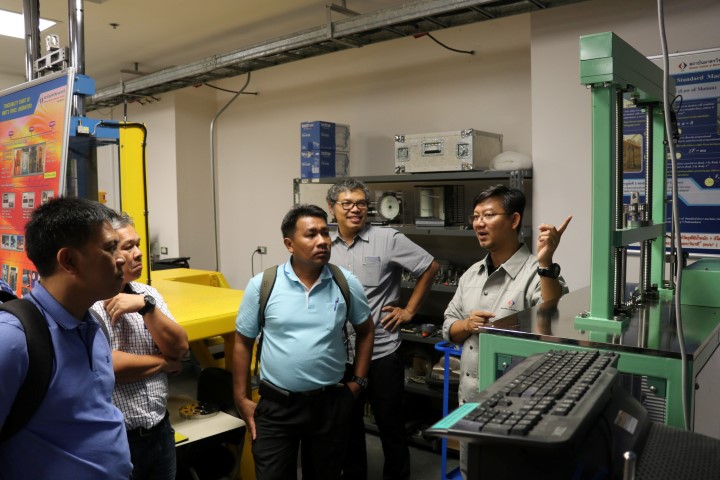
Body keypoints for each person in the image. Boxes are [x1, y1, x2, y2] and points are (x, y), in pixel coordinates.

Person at [232, 204, 375, 480]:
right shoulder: (263, 285)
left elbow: (366, 331)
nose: (322, 241)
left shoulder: (345, 282)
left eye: (325, 232)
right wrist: (241, 399)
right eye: (311, 234)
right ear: (289, 244)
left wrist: (358, 383)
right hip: (277, 406)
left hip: (330, 404)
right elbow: (243, 342)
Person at [442, 184, 571, 477]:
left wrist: (546, 263)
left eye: (488, 215)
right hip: (470, 402)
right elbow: (448, 324)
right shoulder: (471, 275)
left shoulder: (536, 272)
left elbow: (553, 317)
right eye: (476, 216)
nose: (479, 223)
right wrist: (466, 324)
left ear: (514, 220)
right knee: (471, 471)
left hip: (516, 406)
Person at [0, 197, 132, 479]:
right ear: (69, 261)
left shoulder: (93, 323)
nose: (122, 258)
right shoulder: (13, 339)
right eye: (110, 248)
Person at [326, 178, 440, 479]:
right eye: (347, 203)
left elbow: (430, 267)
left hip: (382, 352)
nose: (355, 209)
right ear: (332, 207)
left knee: (391, 426)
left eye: (361, 203)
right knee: (348, 427)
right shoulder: (324, 244)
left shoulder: (388, 239)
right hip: (341, 356)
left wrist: (409, 310)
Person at [91, 213, 189, 480]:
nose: (138, 253)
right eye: (128, 247)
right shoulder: (91, 303)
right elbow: (111, 365)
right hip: (118, 440)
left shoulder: (149, 295)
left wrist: (146, 307)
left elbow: (180, 348)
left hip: (160, 432)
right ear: (109, 253)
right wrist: (165, 363)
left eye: (138, 244)